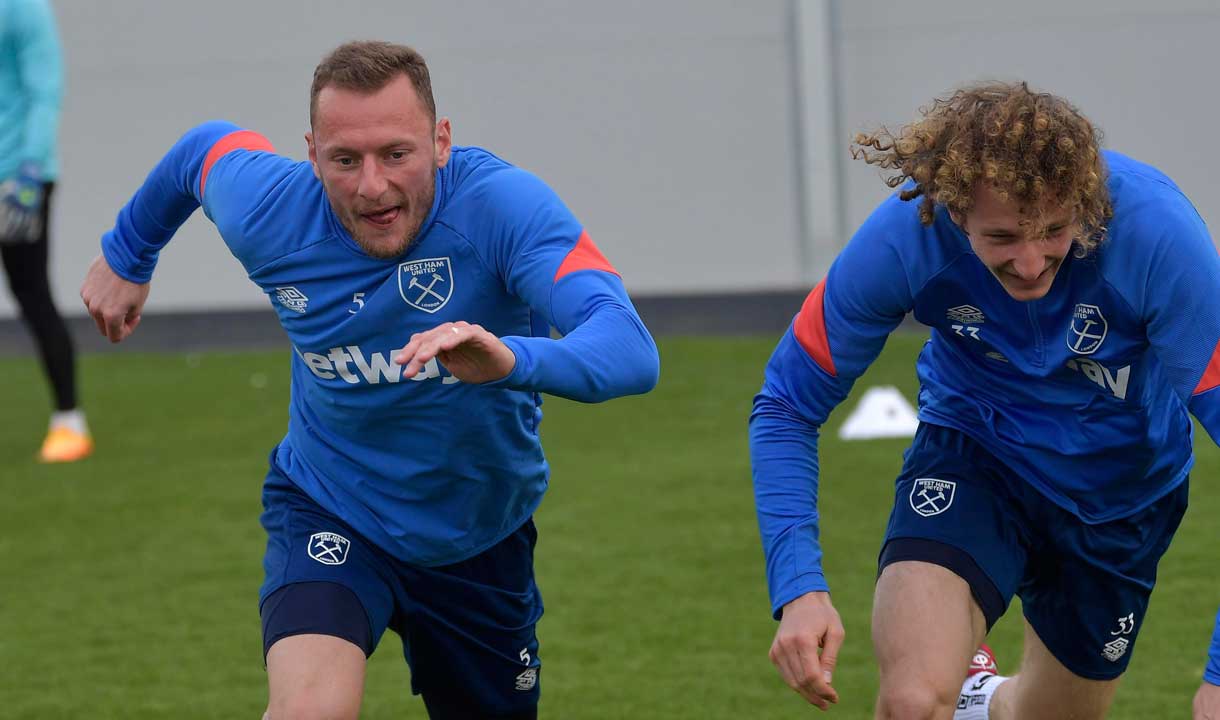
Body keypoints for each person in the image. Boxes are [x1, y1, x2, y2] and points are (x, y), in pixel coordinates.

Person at [80, 40, 659, 720]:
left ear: (441, 141)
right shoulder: (271, 212)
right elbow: (201, 151)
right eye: (345, 160)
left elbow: (629, 348)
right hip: (332, 504)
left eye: (396, 154)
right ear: (313, 153)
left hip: (477, 535)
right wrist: (128, 253)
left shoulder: (504, 210)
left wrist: (509, 359)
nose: (372, 186)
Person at [749, 81, 1220, 719]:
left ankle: (982, 700)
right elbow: (786, 404)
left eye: (1054, 231)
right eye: (1001, 238)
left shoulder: (1161, 242)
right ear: (952, 209)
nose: (1030, 263)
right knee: (912, 702)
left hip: (1123, 493)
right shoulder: (903, 238)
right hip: (976, 453)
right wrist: (799, 587)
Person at [1, 0, 92, 462]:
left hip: (18, 178)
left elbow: (44, 88)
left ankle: (68, 420)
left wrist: (30, 170)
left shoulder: (22, 8)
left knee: (31, 293)